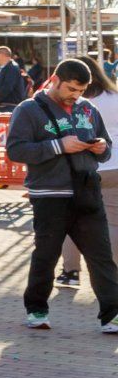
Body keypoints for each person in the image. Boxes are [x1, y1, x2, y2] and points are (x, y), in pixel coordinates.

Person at [6, 57, 118, 331]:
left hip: (87, 192)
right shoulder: (28, 109)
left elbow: (107, 146)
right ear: (55, 80)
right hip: (50, 195)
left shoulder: (88, 108)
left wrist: (101, 148)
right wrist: (59, 146)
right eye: (71, 89)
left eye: (81, 90)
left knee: (101, 256)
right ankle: (36, 309)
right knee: (46, 255)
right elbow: (15, 150)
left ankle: (112, 315)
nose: (75, 95)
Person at [61, 60, 118, 289]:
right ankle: (112, 272)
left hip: (83, 168)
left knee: (73, 221)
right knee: (113, 222)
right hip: (115, 165)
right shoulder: (114, 97)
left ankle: (71, 271)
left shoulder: (75, 102)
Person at [0, 46, 29, 110]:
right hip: (3, 106)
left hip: (8, 107)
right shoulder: (5, 68)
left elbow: (7, 86)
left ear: (2, 55)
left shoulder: (12, 68)